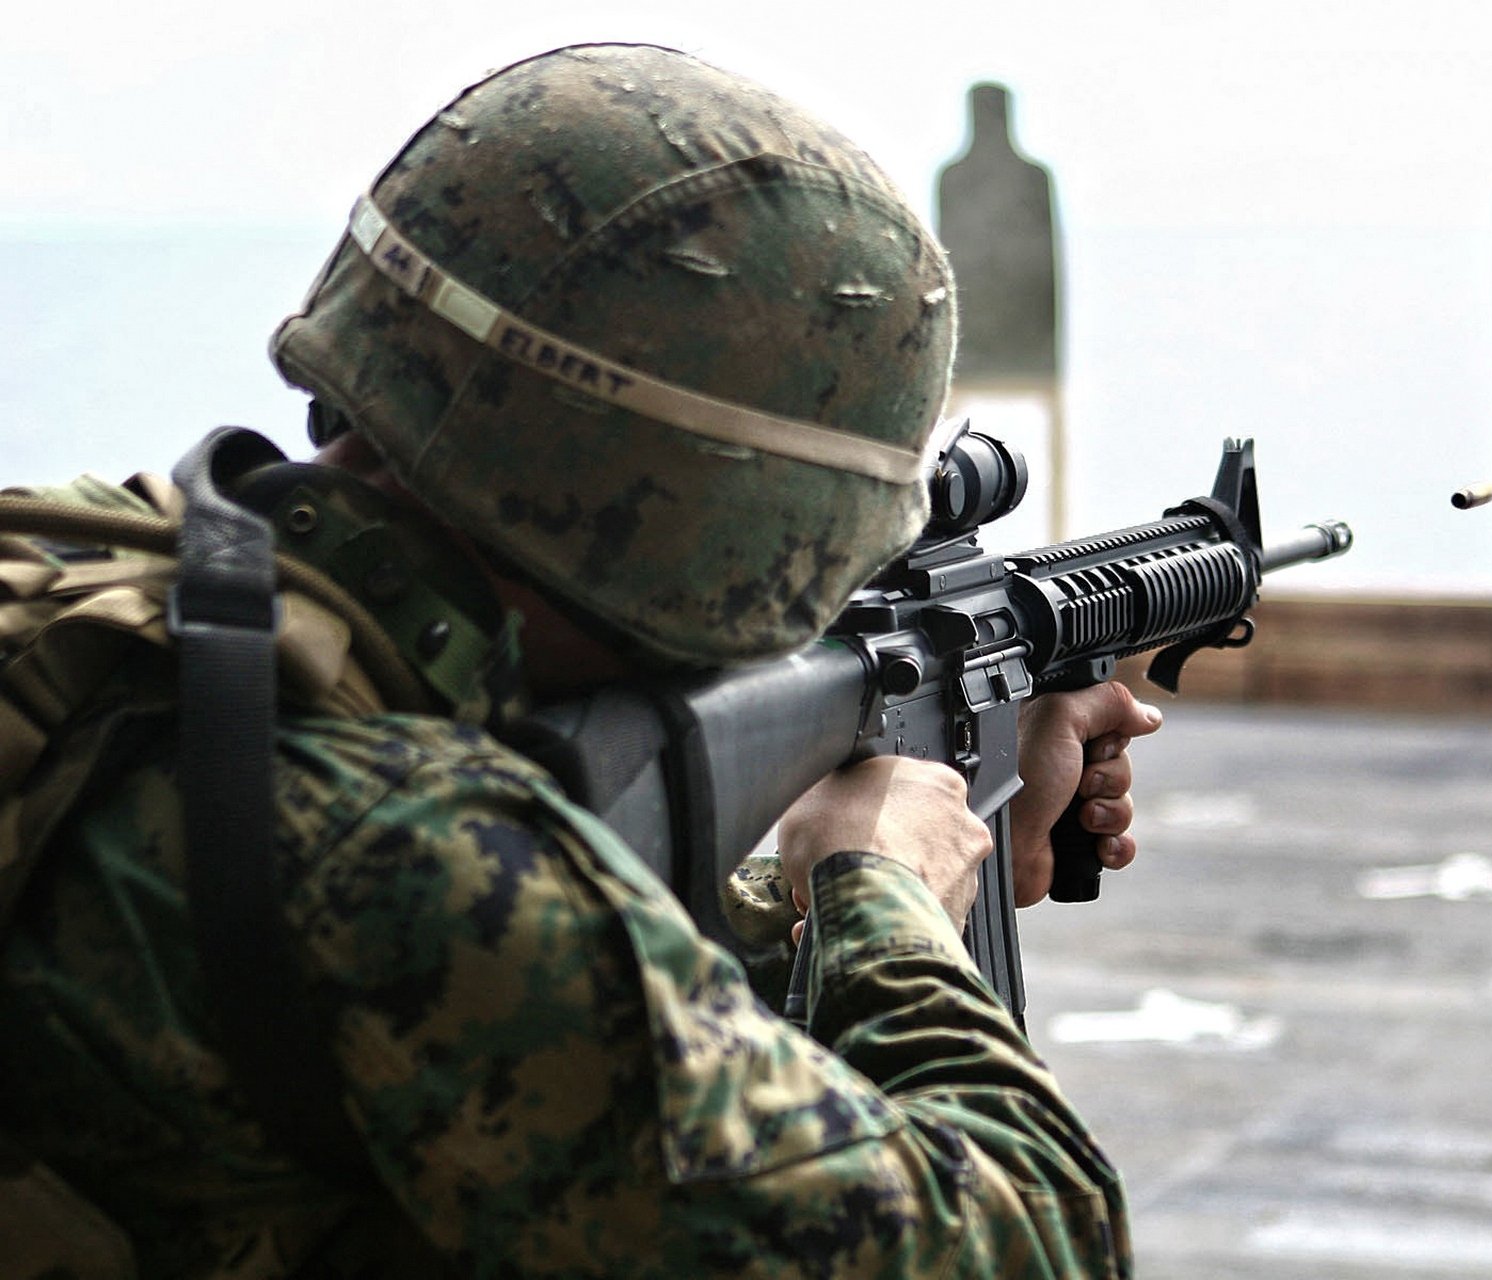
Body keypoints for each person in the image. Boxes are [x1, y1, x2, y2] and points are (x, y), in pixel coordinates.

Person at [0, 42, 1161, 1278]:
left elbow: (511, 1006)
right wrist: (886, 897)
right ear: (715, 542)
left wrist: (789, 898)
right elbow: (1036, 1238)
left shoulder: (89, 586)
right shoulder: (401, 852)